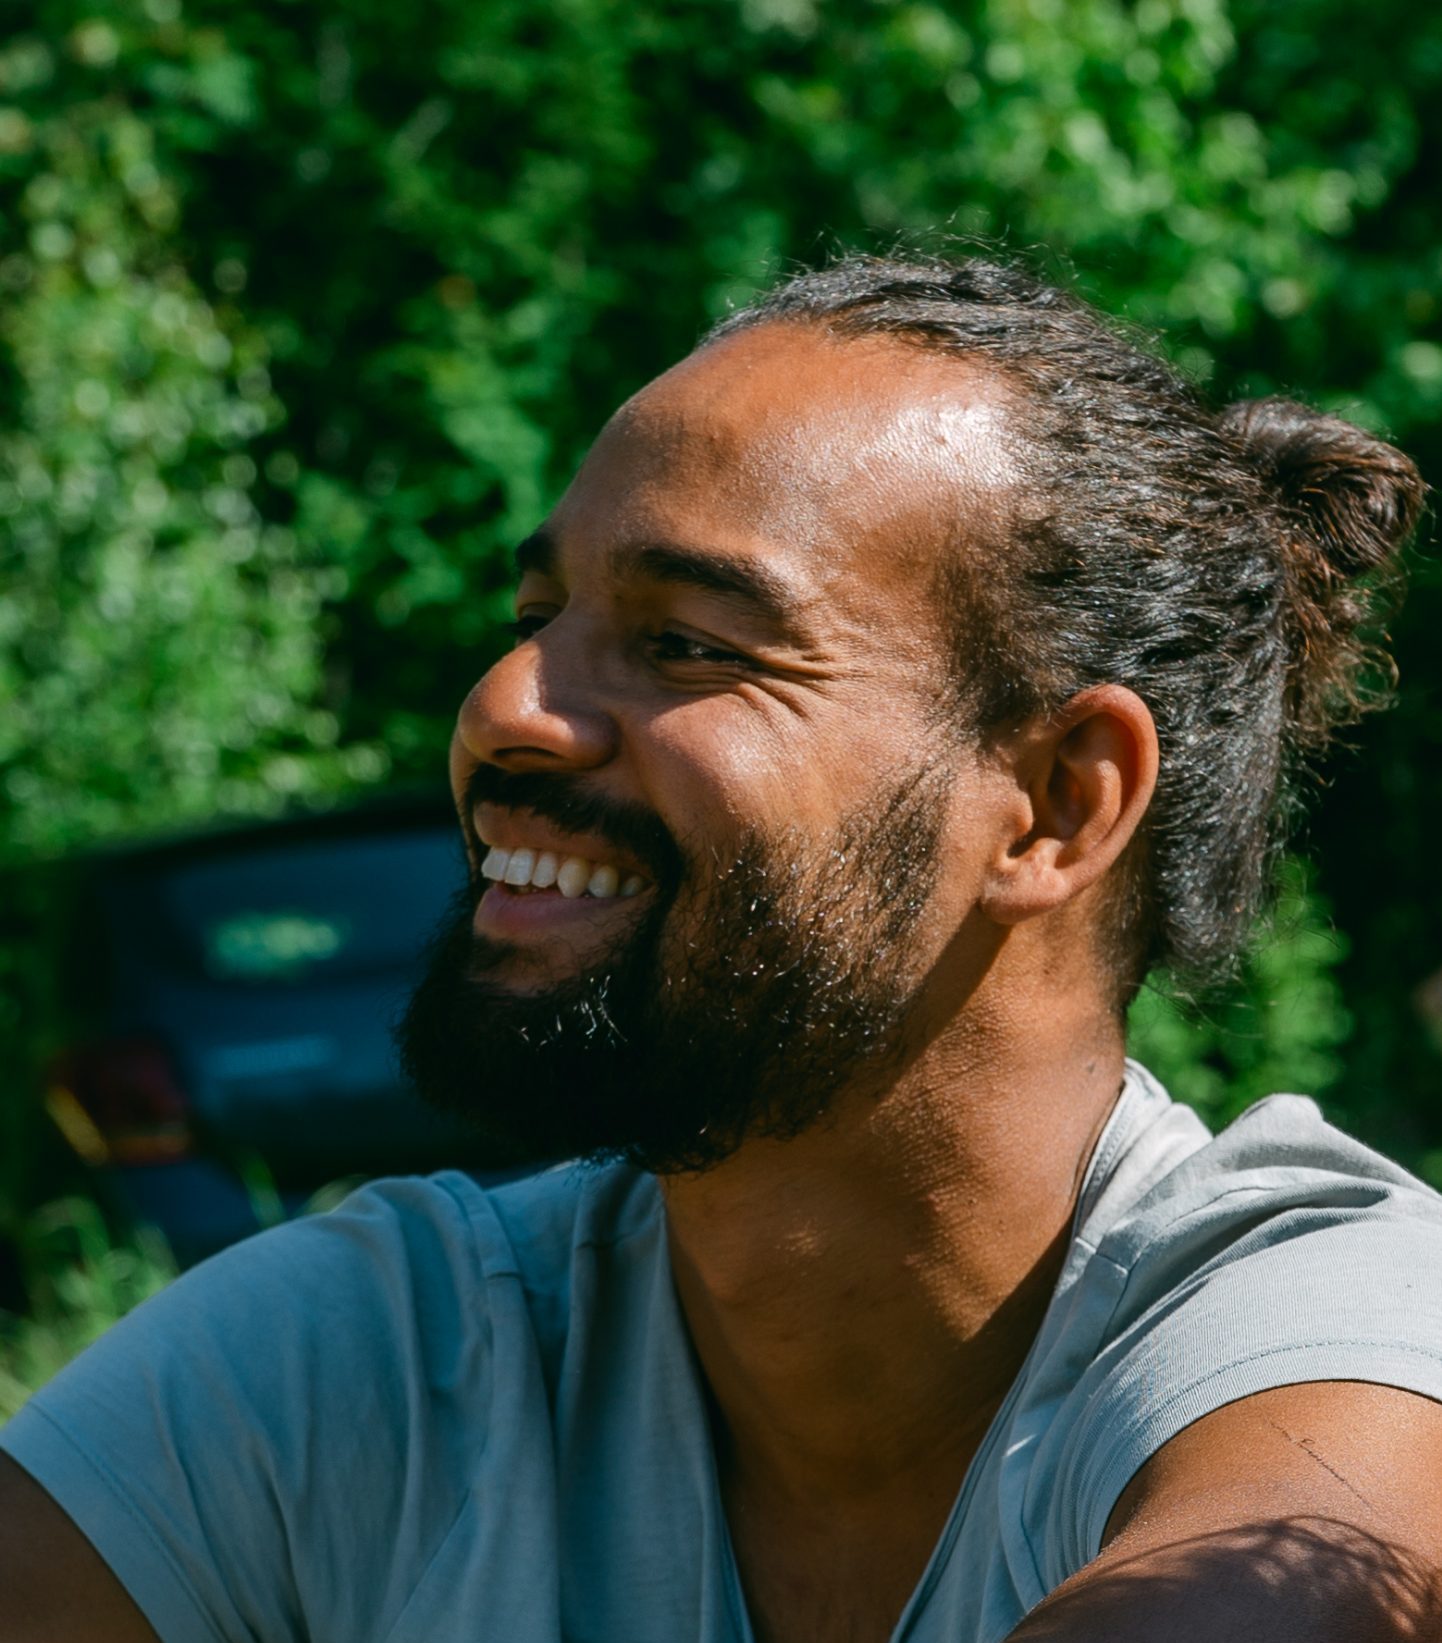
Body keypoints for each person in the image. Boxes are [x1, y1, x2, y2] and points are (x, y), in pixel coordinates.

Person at [2, 252, 1439, 1643]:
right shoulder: (374, 1359)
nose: (503, 704)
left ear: (1056, 802)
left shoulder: (1332, 1335)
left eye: (688, 642)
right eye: (533, 616)